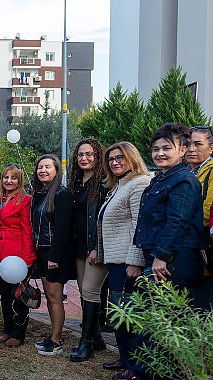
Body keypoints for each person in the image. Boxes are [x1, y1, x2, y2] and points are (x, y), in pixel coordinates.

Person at [132, 123, 205, 379]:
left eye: (166, 148)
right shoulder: (162, 179)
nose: (159, 153)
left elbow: (178, 221)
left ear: (183, 149)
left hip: (176, 260)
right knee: (155, 322)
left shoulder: (183, 180)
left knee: (168, 324)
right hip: (160, 257)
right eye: (155, 149)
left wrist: (161, 256)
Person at [98, 142, 150, 380]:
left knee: (129, 313)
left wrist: (136, 261)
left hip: (128, 261)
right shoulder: (118, 185)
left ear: (132, 158)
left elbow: (140, 225)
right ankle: (126, 358)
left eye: (120, 158)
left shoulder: (139, 184)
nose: (115, 162)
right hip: (115, 260)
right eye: (111, 159)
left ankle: (135, 367)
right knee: (118, 312)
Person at [67, 138, 109, 362]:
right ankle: (97, 338)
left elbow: (104, 219)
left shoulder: (105, 182)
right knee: (85, 292)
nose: (84, 158)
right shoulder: (75, 181)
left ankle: (86, 344)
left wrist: (96, 247)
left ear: (98, 156)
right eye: (81, 154)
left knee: (91, 291)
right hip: (79, 247)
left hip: (97, 248)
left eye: (89, 154)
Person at [0, 164, 35, 348]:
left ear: (20, 180)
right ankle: (7, 328)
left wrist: (27, 258)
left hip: (16, 256)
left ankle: (18, 333)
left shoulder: (25, 200)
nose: (9, 181)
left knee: (17, 295)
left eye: (13, 178)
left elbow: (27, 230)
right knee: (4, 295)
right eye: (6, 177)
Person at [31, 154, 73, 356]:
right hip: (43, 251)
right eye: (40, 167)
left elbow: (63, 230)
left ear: (57, 170)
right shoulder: (42, 194)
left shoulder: (61, 194)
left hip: (54, 253)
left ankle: (56, 340)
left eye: (48, 166)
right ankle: (53, 335)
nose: (43, 170)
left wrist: (54, 257)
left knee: (55, 298)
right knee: (49, 296)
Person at [185, 125, 213, 311]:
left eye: (198, 144)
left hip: (204, 252)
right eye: (188, 144)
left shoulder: (211, 172)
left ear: (211, 148)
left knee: (202, 310)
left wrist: (178, 223)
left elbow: (208, 210)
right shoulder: (187, 172)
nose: (191, 149)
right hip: (188, 253)